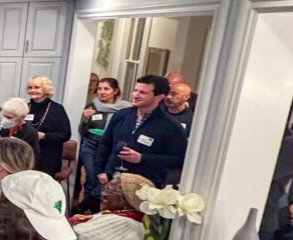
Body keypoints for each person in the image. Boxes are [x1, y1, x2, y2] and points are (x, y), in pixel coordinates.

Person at [95, 75, 188, 188]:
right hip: (111, 180)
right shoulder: (121, 115)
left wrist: (142, 158)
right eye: (135, 90)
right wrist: (99, 170)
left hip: (145, 187)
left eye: (142, 92)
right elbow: (105, 143)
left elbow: (178, 159)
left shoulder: (171, 126)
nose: (135, 95)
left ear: (159, 97)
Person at [70, 173, 151, 240]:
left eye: (108, 190)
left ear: (125, 201)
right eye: (105, 188)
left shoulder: (124, 222)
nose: (103, 194)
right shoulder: (125, 217)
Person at [77, 77, 131, 212]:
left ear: (115, 91)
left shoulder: (125, 109)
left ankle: (89, 208)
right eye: (99, 89)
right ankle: (85, 211)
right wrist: (85, 119)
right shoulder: (91, 106)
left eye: (106, 89)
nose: (102, 92)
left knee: (102, 180)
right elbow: (82, 131)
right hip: (90, 145)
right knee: (91, 178)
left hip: (109, 148)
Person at [25, 76, 72, 177]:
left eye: (36, 87)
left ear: (46, 89)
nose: (32, 90)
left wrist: (44, 136)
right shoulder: (25, 107)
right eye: (30, 87)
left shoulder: (57, 109)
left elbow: (66, 134)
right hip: (27, 155)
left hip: (48, 157)